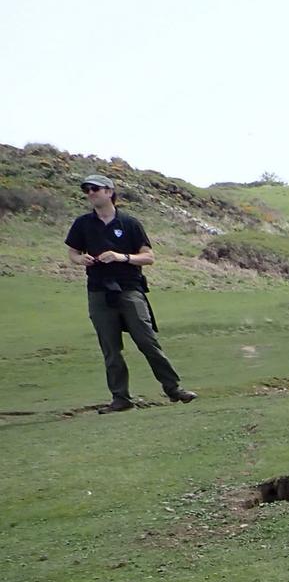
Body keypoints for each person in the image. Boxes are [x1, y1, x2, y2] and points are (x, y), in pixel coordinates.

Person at [64, 174, 195, 412]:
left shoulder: (129, 223)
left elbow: (149, 257)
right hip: (98, 292)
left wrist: (121, 257)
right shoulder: (83, 223)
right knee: (111, 349)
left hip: (129, 289)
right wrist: (79, 259)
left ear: (109, 191)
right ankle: (121, 398)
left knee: (147, 341)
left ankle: (174, 389)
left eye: (95, 188)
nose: (91, 193)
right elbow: (72, 252)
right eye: (86, 190)